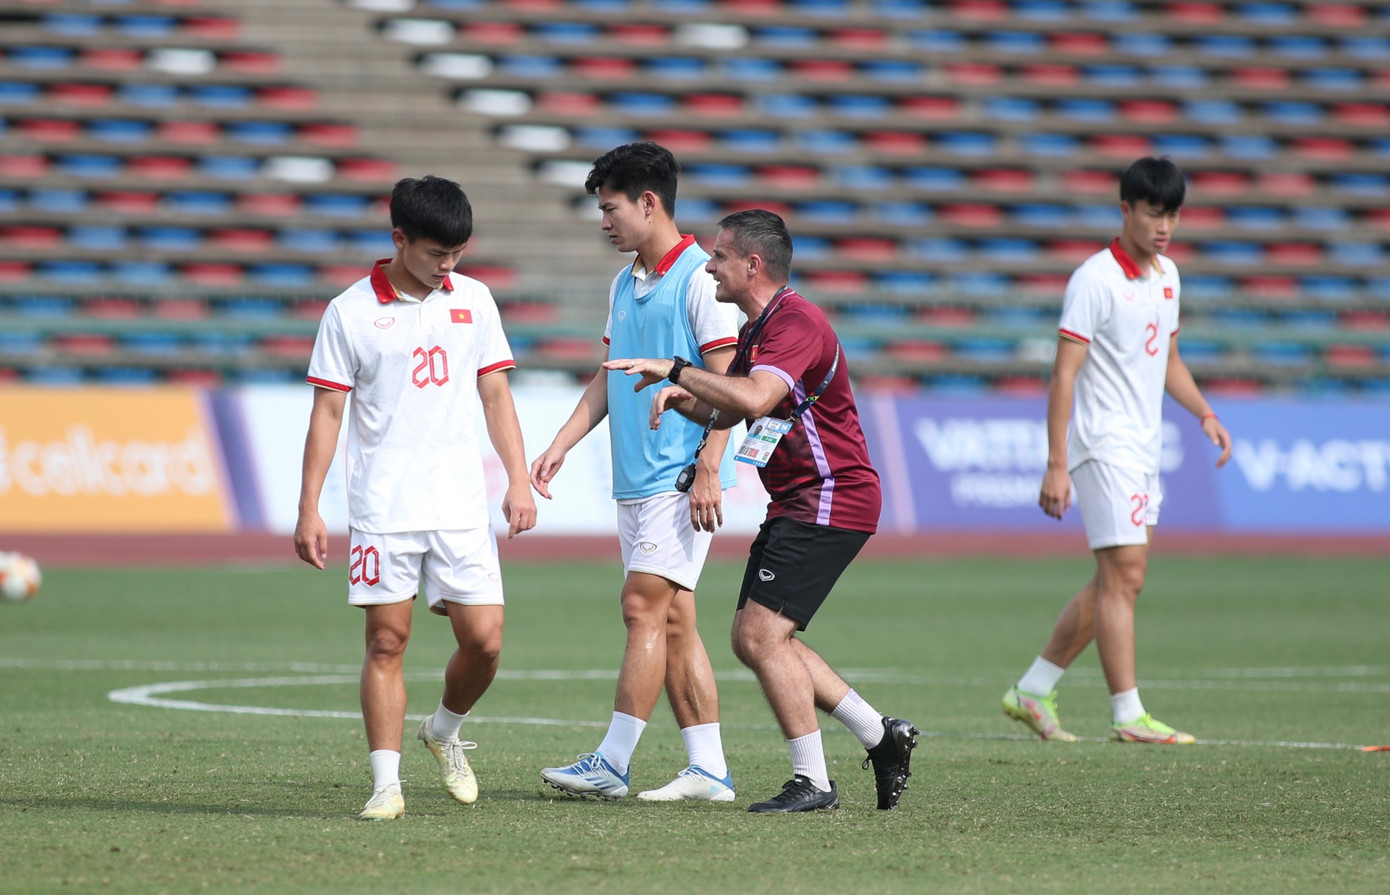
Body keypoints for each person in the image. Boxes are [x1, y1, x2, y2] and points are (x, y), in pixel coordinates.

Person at [605, 209, 919, 813]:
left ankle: (814, 781)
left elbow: (755, 397)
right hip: (800, 498)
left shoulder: (795, 321)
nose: (710, 266)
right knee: (757, 639)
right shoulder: (760, 326)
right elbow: (731, 409)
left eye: (720, 256)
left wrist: (677, 368)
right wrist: (683, 398)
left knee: (759, 635)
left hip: (831, 494)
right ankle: (880, 734)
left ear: (753, 265)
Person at [294, 175, 537, 820]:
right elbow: (327, 413)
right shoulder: (348, 312)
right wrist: (309, 506)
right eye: (436, 253)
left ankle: (444, 729)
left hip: (460, 504)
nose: (447, 265)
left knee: (485, 642)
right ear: (399, 239)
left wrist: (516, 478)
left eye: (457, 253)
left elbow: (495, 396)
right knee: (386, 641)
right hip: (383, 506)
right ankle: (386, 785)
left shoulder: (476, 300)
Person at [531, 142, 741, 802]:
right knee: (674, 621)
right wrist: (562, 442)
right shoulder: (624, 283)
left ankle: (613, 762)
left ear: (648, 203)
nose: (604, 221)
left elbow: (733, 383)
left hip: (681, 476)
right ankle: (709, 769)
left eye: (610, 208)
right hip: (637, 478)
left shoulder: (702, 280)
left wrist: (709, 467)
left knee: (640, 606)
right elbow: (607, 375)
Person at [1001, 156, 1232, 745]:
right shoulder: (1094, 279)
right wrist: (1056, 463)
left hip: (1143, 448)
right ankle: (1128, 714)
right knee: (1125, 575)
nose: (1164, 226)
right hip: (1103, 445)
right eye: (1154, 213)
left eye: (1172, 214)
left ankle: (1032, 689)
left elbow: (1169, 361)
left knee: (1118, 578)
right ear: (1126, 209)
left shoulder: (1168, 276)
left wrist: (1204, 413)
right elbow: (1064, 376)